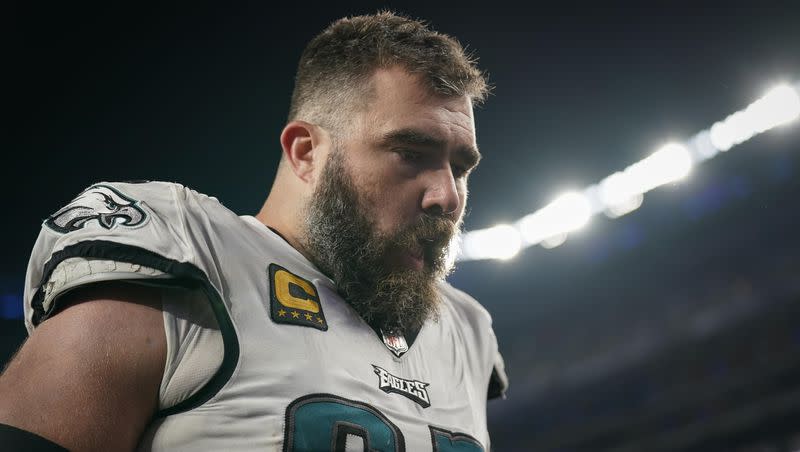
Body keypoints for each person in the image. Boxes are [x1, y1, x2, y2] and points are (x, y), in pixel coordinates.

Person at [0, 10, 507, 451]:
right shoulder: (192, 262)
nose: (448, 196)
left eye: (460, 167)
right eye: (411, 155)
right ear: (306, 153)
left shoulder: (465, 333)